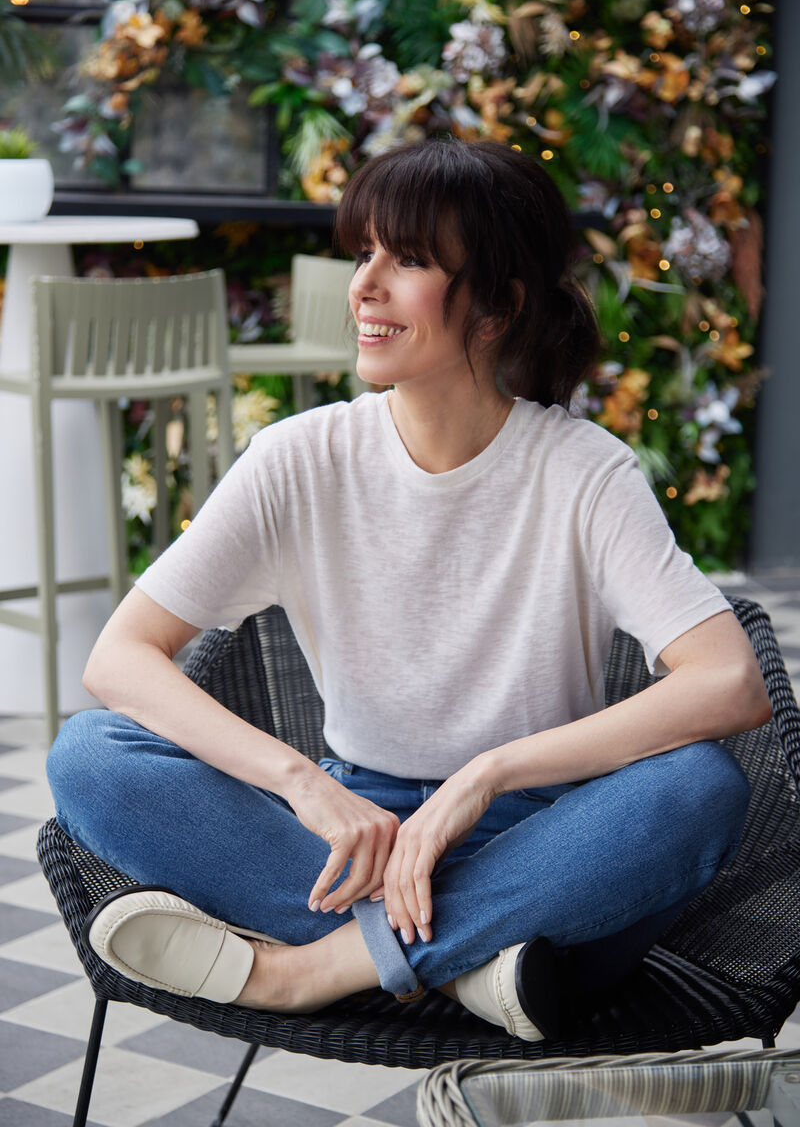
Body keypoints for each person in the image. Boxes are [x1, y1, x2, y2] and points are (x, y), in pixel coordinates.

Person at [47, 138, 770, 1040]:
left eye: (411, 261)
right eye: (365, 254)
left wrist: (486, 776)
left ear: (499, 306)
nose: (365, 286)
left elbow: (729, 683)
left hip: (549, 837)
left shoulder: (585, 472)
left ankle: (314, 969)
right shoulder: (298, 459)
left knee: (698, 788)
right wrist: (303, 784)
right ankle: (467, 966)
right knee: (90, 757)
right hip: (354, 838)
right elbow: (119, 660)